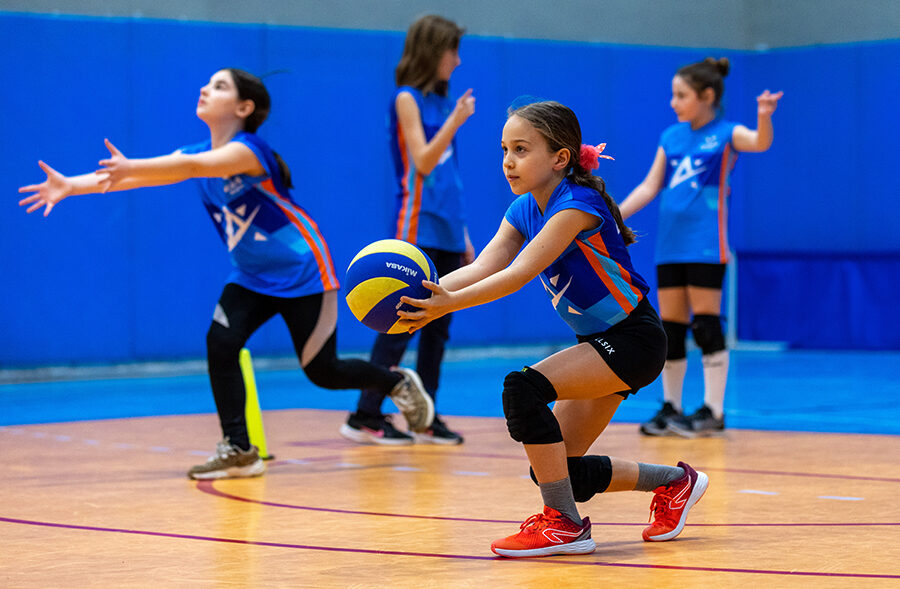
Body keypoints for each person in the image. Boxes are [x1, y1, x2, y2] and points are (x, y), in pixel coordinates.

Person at [18, 68, 434, 479]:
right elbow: (145, 176)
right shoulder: (198, 155)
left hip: (305, 272)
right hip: (251, 275)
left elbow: (189, 167)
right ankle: (238, 448)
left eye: (218, 86)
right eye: (207, 83)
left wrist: (135, 167)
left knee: (322, 372)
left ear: (244, 107)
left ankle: (394, 382)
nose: (204, 89)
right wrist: (70, 185)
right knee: (221, 342)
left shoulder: (247, 151)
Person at [397, 100, 708, 558]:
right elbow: (485, 265)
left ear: (560, 157)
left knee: (523, 390)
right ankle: (675, 482)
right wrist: (426, 294)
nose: (508, 160)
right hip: (602, 342)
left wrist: (448, 306)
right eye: (504, 149)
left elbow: (520, 272)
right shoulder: (524, 208)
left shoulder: (577, 204)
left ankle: (563, 525)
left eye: (521, 149)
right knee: (555, 468)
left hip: (633, 339)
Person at [618, 57, 783, 438]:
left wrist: (764, 115)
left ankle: (713, 409)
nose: (673, 103)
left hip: (707, 243)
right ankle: (672, 407)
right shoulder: (671, 137)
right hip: (670, 244)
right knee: (670, 328)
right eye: (673, 95)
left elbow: (760, 142)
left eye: (681, 95)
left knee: (705, 324)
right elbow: (649, 186)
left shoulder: (727, 133)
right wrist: (612, 214)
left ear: (707, 96)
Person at [340, 15, 475, 447]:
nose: (456, 60)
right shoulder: (407, 99)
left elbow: (450, 174)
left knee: (438, 328)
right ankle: (365, 413)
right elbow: (422, 161)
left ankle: (426, 415)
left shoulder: (440, 102)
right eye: (451, 50)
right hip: (416, 225)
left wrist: (465, 235)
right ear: (433, 51)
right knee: (398, 326)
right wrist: (455, 123)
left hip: (448, 229)